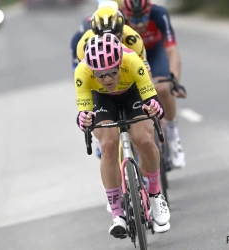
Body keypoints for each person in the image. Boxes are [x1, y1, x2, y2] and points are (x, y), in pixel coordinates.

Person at [74, 33, 171, 236]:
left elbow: (153, 100)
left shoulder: (132, 61)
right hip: (102, 99)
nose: (107, 79)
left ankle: (155, 193)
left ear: (120, 63)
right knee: (108, 145)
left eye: (112, 72)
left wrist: (155, 108)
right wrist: (84, 120)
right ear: (91, 70)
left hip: (132, 92)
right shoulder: (82, 72)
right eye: (100, 75)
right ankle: (117, 214)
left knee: (143, 138)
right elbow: (84, 113)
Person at [76, 2, 151, 159]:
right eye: (103, 37)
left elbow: (144, 75)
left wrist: (150, 100)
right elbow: (85, 80)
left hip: (129, 84)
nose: (110, 41)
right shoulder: (84, 45)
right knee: (108, 142)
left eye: (116, 37)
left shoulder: (133, 39)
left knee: (142, 135)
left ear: (122, 31)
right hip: (102, 90)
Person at [122, 0, 187, 168]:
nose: (140, 24)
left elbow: (172, 51)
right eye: (134, 20)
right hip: (132, 57)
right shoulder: (119, 19)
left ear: (149, 11)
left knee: (163, 88)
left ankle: (173, 136)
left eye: (144, 17)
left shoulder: (159, 13)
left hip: (154, 52)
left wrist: (174, 80)